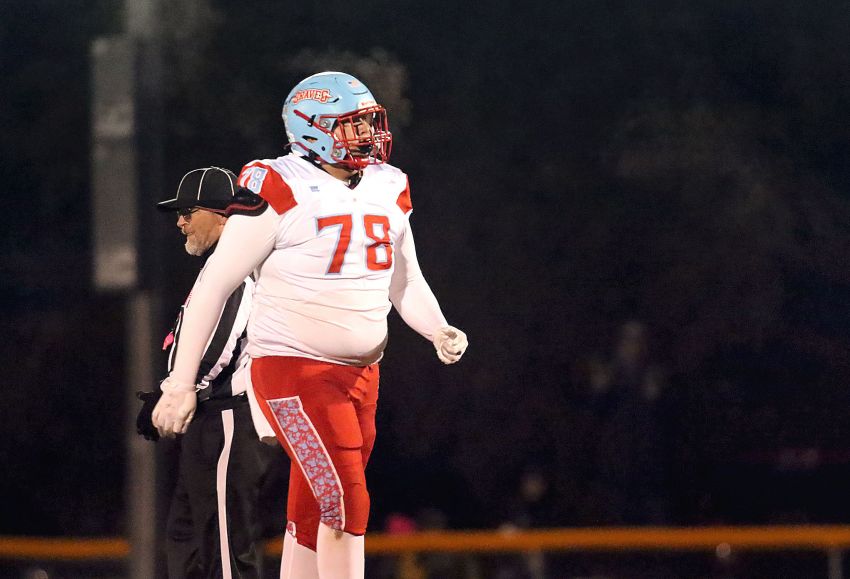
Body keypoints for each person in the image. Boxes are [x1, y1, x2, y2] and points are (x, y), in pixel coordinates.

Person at [152, 71, 469, 579]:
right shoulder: (277, 183)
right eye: (350, 125)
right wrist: (180, 383)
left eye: (368, 121)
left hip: (363, 375)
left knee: (314, 503)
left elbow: (404, 280)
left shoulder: (390, 185)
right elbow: (213, 285)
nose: (366, 134)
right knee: (346, 501)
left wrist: (436, 328)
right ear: (312, 128)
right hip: (293, 371)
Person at [138, 166, 274, 579]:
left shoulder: (238, 267)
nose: (180, 222)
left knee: (225, 545)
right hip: (210, 415)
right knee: (187, 539)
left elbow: (219, 345)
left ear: (222, 214)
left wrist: (176, 393)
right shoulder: (220, 266)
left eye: (188, 211)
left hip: (228, 415)